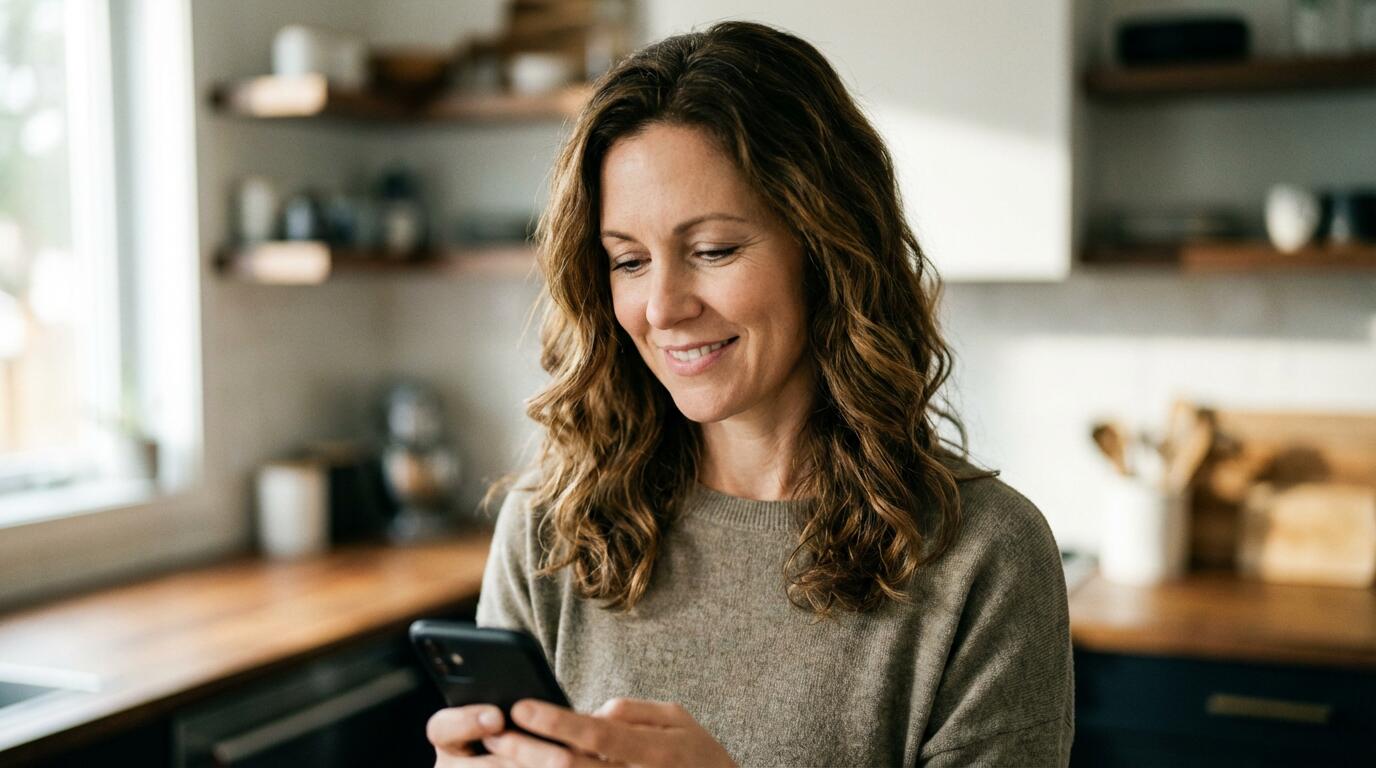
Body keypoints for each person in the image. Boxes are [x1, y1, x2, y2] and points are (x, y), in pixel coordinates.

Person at [427, 20, 1073, 768]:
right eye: (628, 261)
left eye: (713, 251)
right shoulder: (551, 529)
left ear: (830, 250)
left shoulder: (986, 559)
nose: (663, 307)